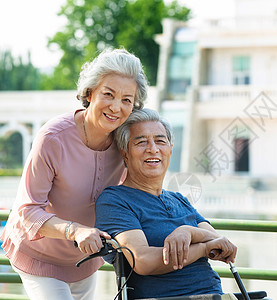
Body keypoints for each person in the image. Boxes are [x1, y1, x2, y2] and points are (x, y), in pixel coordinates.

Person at [0, 48, 149, 300]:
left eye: (126, 100)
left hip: (86, 257)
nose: (116, 107)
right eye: (108, 94)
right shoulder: (53, 138)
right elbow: (28, 210)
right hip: (38, 254)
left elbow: (136, 192)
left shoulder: (125, 140)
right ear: (90, 93)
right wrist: (76, 231)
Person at [95, 108, 238, 299]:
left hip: (214, 295)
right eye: (141, 142)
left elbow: (220, 245)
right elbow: (143, 260)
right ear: (125, 153)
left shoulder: (179, 200)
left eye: (160, 141)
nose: (153, 149)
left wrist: (187, 232)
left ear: (170, 149)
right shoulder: (115, 200)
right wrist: (202, 248)